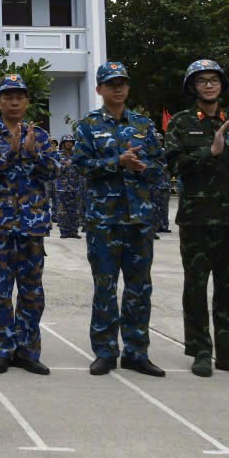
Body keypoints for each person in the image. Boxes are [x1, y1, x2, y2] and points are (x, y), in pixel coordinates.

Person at [164, 59, 229, 379]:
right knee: (195, 286)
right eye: (202, 81)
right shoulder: (180, 123)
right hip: (196, 218)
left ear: (221, 84)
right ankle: (200, 350)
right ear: (192, 87)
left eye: (214, 80)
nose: (208, 85)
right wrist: (211, 152)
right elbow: (174, 164)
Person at [72, 62, 165, 378]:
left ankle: (137, 352)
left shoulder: (143, 125)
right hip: (104, 221)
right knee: (105, 287)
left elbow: (160, 167)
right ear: (99, 89)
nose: (117, 88)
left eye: (122, 83)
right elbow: (81, 166)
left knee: (139, 289)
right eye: (111, 83)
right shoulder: (87, 126)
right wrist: (117, 161)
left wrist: (141, 167)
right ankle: (105, 352)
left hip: (138, 219)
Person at [0, 73, 60, 375]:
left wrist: (35, 154)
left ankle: (28, 350)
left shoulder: (41, 136)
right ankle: (1, 349)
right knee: (0, 290)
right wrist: (9, 154)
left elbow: (54, 171)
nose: (14, 101)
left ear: (26, 102)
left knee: (31, 291)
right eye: (8, 96)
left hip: (32, 225)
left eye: (19, 96)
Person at [53, 135, 83, 239]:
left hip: (75, 187)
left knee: (75, 211)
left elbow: (81, 169)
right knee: (62, 211)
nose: (69, 143)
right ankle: (64, 232)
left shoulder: (76, 156)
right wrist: (64, 166)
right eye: (67, 141)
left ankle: (74, 231)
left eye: (71, 142)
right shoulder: (58, 155)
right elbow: (55, 169)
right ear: (63, 143)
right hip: (62, 187)